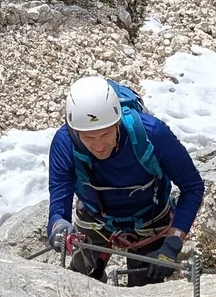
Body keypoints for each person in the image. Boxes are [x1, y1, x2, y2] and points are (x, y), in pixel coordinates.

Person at [47, 76, 203, 285]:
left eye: (106, 134)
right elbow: (59, 205)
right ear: (74, 131)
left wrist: (172, 243)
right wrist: (58, 226)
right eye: (89, 138)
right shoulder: (65, 144)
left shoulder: (153, 134)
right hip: (95, 218)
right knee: (80, 280)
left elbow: (192, 187)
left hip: (150, 219)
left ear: (118, 122)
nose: (100, 146)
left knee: (144, 292)